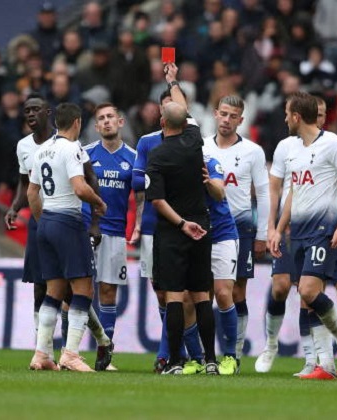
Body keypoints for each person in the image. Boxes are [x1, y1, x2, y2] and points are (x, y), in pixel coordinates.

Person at [255, 98, 337, 379]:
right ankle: (325, 364)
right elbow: (294, 192)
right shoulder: (295, 151)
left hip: (322, 231)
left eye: (287, 115)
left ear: (297, 117)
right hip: (298, 233)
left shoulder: (333, 144)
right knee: (308, 296)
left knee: (308, 292)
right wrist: (278, 228)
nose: (284, 120)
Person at [5, 94, 112, 371]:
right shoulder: (72, 148)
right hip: (68, 221)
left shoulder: (41, 152)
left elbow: (31, 192)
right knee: (84, 288)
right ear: (77, 123)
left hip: (47, 222)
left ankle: (41, 354)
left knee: (53, 290)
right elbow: (80, 187)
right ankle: (71, 354)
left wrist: (42, 222)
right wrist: (98, 202)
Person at [146, 63, 218, 375]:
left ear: (162, 122)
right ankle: (211, 361)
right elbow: (184, 109)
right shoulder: (195, 140)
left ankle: (175, 361)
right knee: (202, 295)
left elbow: (158, 201)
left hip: (175, 231)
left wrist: (180, 224)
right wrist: (173, 81)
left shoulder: (158, 156)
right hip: (202, 224)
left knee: (174, 297)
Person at [132, 89, 205, 374]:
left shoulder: (190, 140)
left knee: (184, 294)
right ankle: (182, 354)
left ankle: (169, 355)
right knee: (163, 293)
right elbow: (138, 181)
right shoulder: (147, 142)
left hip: (182, 225)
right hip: (154, 226)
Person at [203, 95, 270, 368]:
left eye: (233, 116)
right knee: (204, 291)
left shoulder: (253, 151)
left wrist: (263, 233)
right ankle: (204, 353)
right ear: (216, 114)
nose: (227, 120)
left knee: (236, 291)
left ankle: (235, 353)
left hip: (240, 226)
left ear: (241, 120)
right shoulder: (202, 147)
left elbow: (263, 193)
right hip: (206, 225)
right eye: (224, 114)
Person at [81, 103, 136, 364]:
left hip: (115, 234)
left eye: (110, 117)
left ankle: (105, 353)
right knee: (78, 293)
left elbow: (144, 196)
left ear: (120, 121)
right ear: (96, 126)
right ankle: (72, 352)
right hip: (86, 231)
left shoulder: (134, 158)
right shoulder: (85, 154)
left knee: (108, 293)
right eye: (101, 118)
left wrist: (136, 227)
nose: (106, 122)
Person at [201, 148, 240, 375]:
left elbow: (219, 193)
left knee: (223, 294)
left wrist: (207, 181)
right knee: (198, 297)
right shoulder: (174, 159)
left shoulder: (210, 162)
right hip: (196, 235)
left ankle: (230, 356)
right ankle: (204, 357)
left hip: (223, 234)